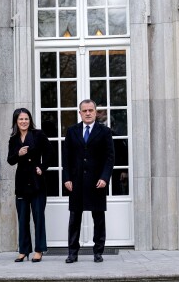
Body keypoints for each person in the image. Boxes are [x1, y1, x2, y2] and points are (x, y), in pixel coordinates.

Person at [62, 99, 115, 263]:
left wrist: (105, 177)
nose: (87, 113)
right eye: (84, 111)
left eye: (90, 110)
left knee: (98, 218)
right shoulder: (71, 131)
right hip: (76, 182)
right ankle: (72, 252)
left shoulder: (105, 132)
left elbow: (110, 157)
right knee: (74, 218)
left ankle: (98, 251)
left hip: (97, 182)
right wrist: (67, 178)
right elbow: (66, 157)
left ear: (95, 111)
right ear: (80, 113)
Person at [7, 108, 53, 263]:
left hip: (37, 181)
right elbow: (10, 160)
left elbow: (50, 152)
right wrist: (18, 154)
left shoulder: (38, 134)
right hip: (21, 183)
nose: (24, 122)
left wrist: (42, 167)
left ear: (30, 120)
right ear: (16, 121)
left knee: (39, 217)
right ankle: (23, 250)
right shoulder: (13, 139)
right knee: (23, 218)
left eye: (26, 119)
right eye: (20, 119)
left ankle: (39, 250)